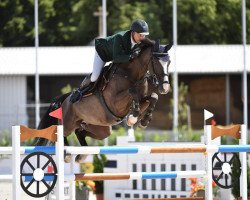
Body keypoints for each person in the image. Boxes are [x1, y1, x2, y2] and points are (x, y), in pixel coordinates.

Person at [79, 19, 150, 90]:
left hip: (116, 56)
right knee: (95, 77)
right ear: (134, 33)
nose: (142, 38)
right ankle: (80, 90)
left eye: (144, 35)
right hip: (102, 52)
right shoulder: (120, 37)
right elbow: (116, 58)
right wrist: (131, 56)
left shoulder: (140, 43)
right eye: (140, 35)